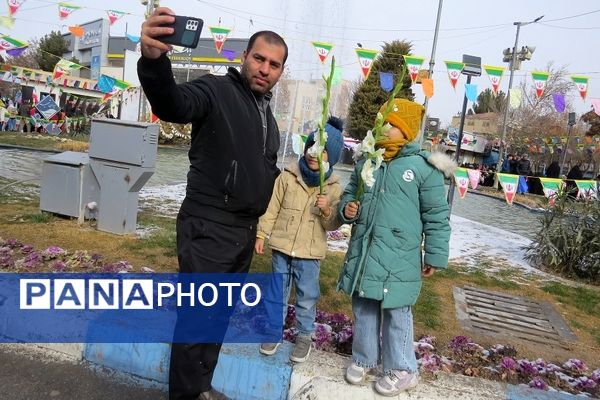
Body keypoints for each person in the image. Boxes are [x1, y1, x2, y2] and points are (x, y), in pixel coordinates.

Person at [138, 7, 287, 400]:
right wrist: (154, 62)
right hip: (209, 228)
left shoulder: (267, 116)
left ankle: (201, 388)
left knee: (216, 320)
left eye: (274, 64)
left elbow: (262, 168)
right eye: (259, 58)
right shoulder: (216, 90)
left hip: (241, 233)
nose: (264, 68)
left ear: (280, 72)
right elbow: (174, 104)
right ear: (244, 57)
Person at [337, 99, 453, 397]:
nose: (383, 129)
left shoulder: (423, 168)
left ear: (407, 131)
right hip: (365, 251)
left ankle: (403, 368)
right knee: (363, 306)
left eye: (391, 125)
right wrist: (346, 209)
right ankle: (364, 358)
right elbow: (351, 193)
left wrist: (436, 254)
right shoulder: (368, 160)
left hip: (400, 256)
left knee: (396, 312)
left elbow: (437, 216)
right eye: (382, 123)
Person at [256, 117, 345, 363]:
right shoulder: (288, 176)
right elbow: (272, 207)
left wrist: (327, 209)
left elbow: (333, 223)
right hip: (282, 248)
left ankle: (304, 336)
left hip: (310, 253)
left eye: (322, 151)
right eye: (311, 147)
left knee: (307, 297)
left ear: (332, 157)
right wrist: (262, 233)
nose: (314, 154)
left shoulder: (334, 187)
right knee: (277, 292)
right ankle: (274, 331)